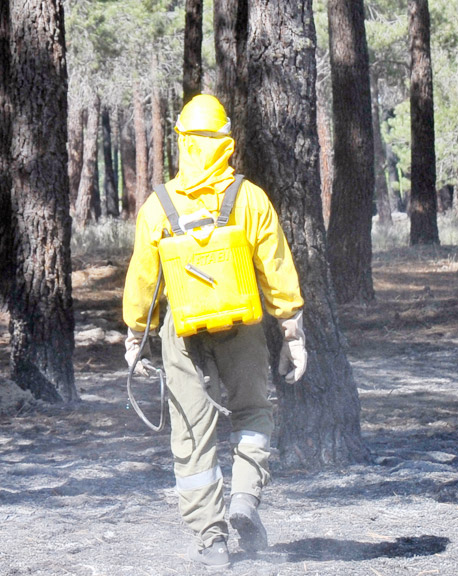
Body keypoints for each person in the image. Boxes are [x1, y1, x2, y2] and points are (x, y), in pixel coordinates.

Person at [122, 94, 308, 570]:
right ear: (227, 141)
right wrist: (292, 333)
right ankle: (245, 500)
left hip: (180, 336)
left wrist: (134, 337)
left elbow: (143, 280)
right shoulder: (249, 198)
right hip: (242, 327)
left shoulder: (157, 206)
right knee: (252, 413)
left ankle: (212, 540)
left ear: (182, 142)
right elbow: (276, 269)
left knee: (191, 435)